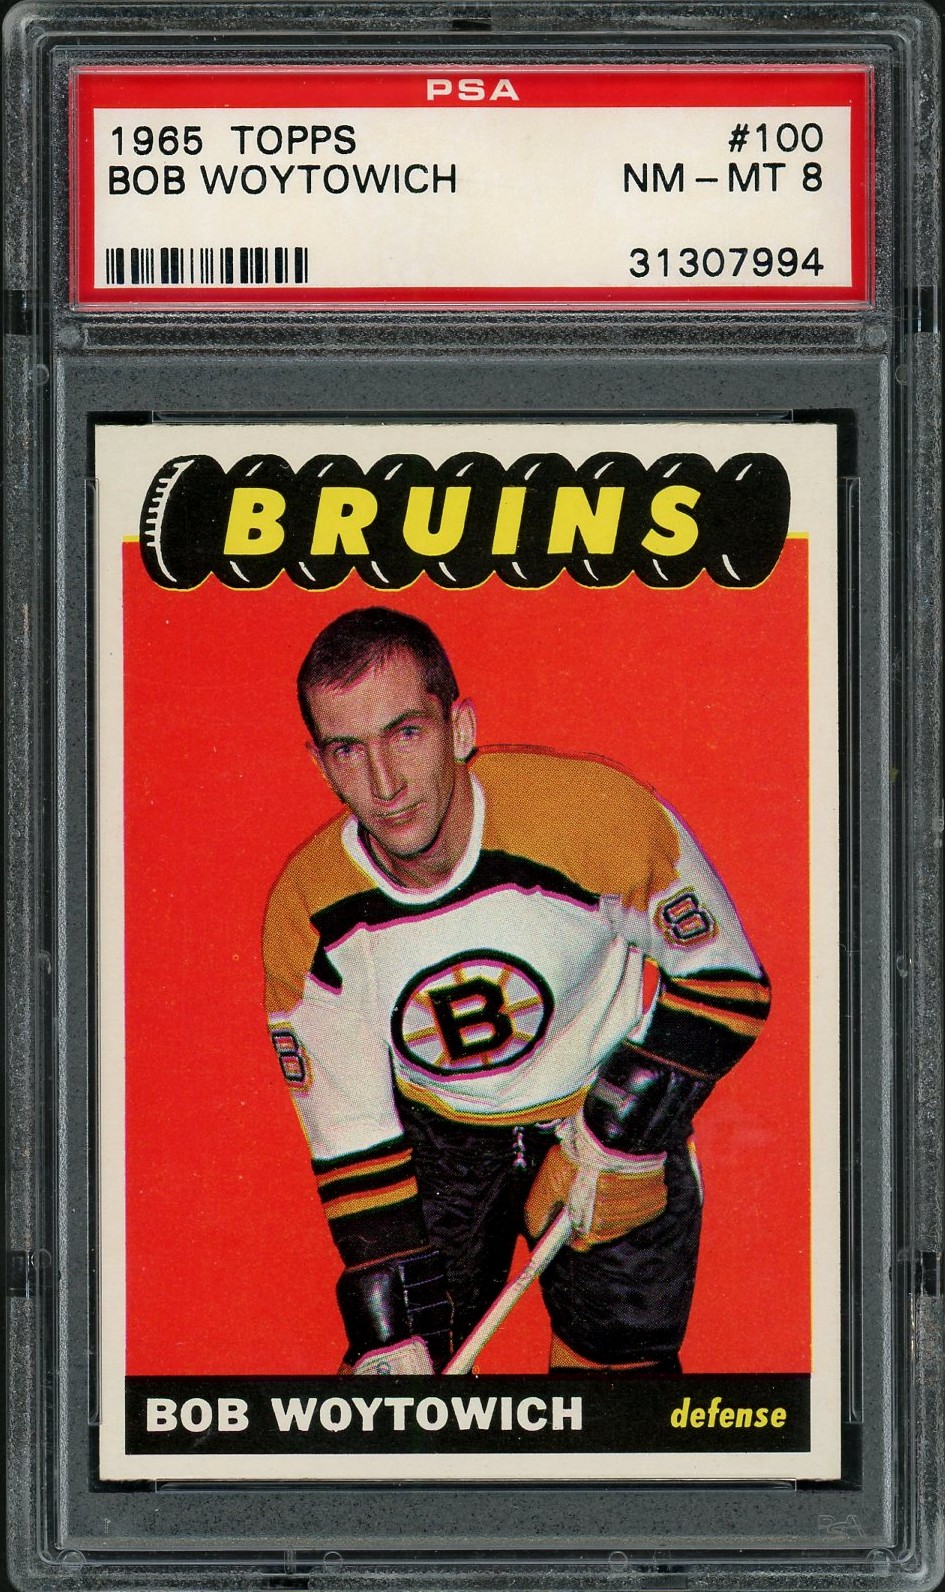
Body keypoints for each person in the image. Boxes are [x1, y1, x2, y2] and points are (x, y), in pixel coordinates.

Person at [263, 606, 770, 1375]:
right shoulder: (308, 911)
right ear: (321, 765)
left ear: (459, 728)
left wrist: (622, 1131)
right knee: (400, 1384)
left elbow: (725, 981)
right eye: (347, 749)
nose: (384, 783)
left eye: (407, 733)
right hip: (440, 1143)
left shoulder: (591, 816)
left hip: (597, 1109)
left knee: (622, 1389)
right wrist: (391, 1312)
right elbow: (351, 1134)